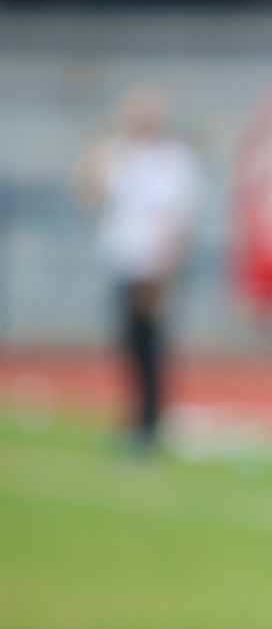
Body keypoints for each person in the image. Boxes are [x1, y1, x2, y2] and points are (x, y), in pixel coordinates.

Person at [78, 87, 201, 452]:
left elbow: (179, 220)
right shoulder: (117, 154)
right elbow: (95, 198)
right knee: (129, 345)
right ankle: (135, 416)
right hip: (124, 261)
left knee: (151, 346)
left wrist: (167, 274)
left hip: (154, 267)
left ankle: (151, 422)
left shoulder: (173, 159)